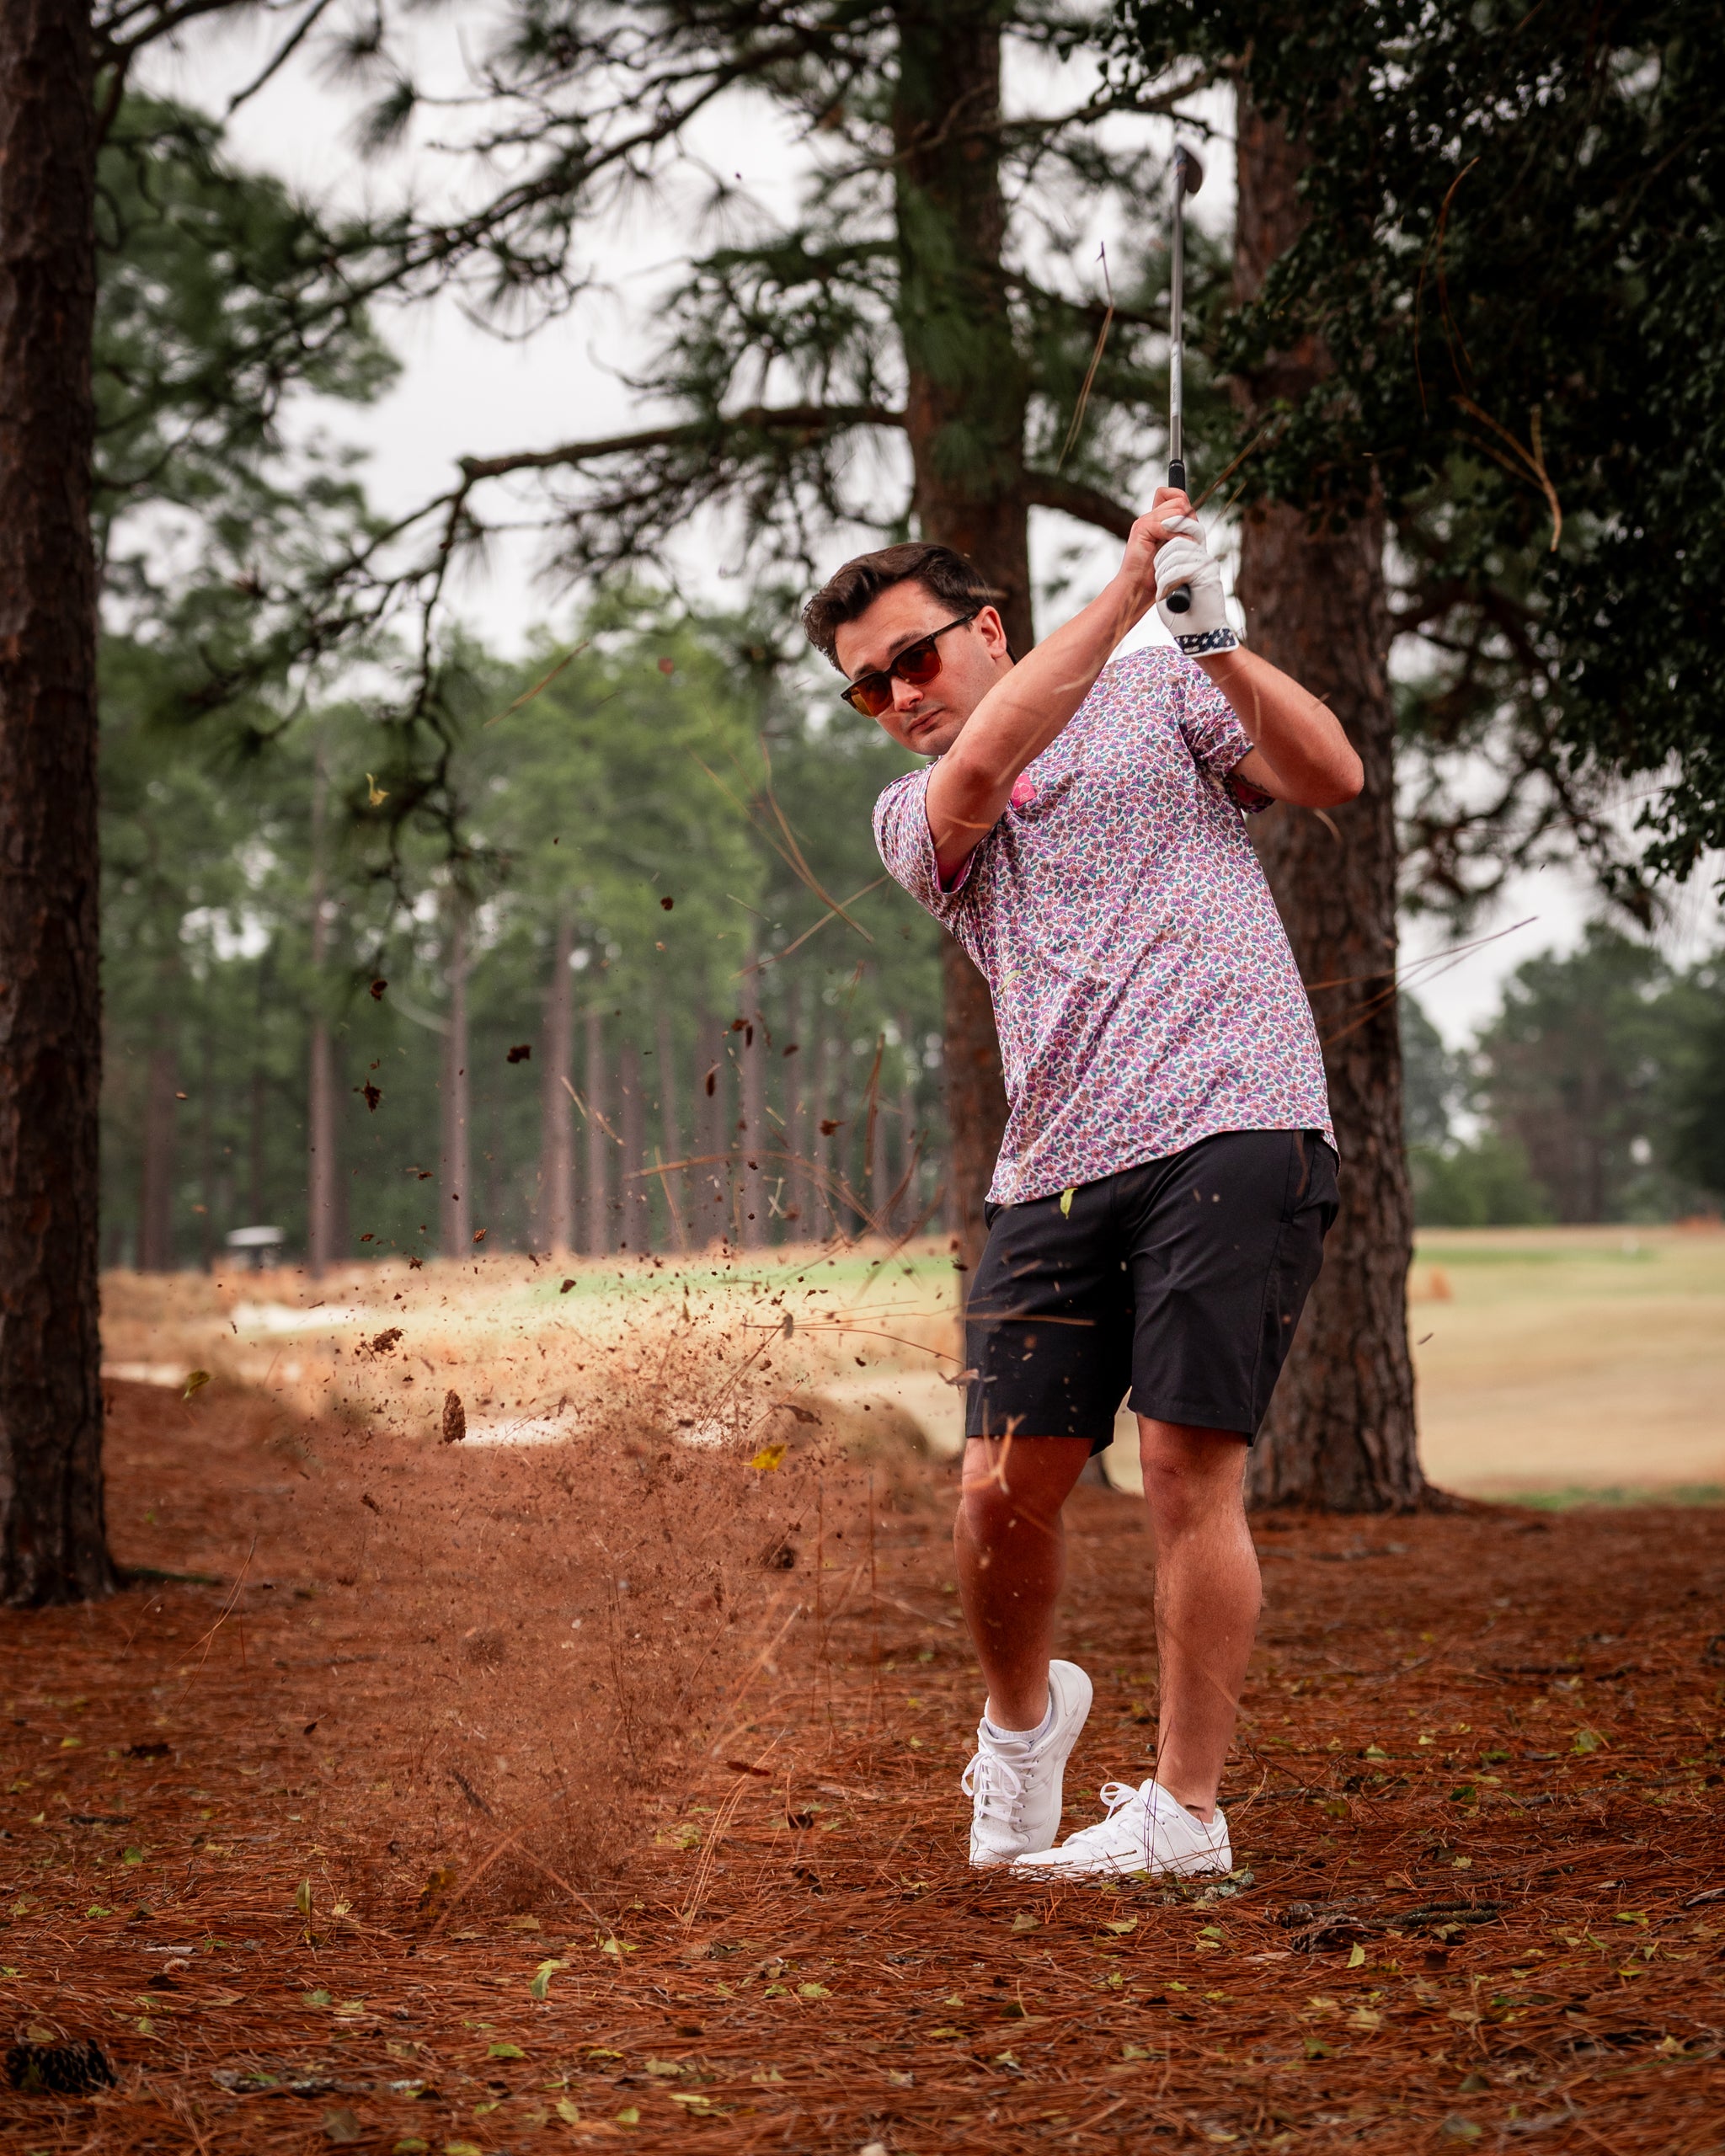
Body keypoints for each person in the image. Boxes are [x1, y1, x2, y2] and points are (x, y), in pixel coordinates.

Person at [799, 491, 1360, 1878]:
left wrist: (1210, 637)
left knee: (1184, 1470)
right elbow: (987, 766)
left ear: (988, 627)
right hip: (1054, 1168)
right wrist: (1123, 593)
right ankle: (1023, 1725)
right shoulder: (910, 811)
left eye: (915, 657)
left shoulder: (1162, 690)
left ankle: (1185, 1815)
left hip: (1235, 1116)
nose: (899, 695)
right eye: (868, 687)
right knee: (998, 1492)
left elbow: (1329, 773)